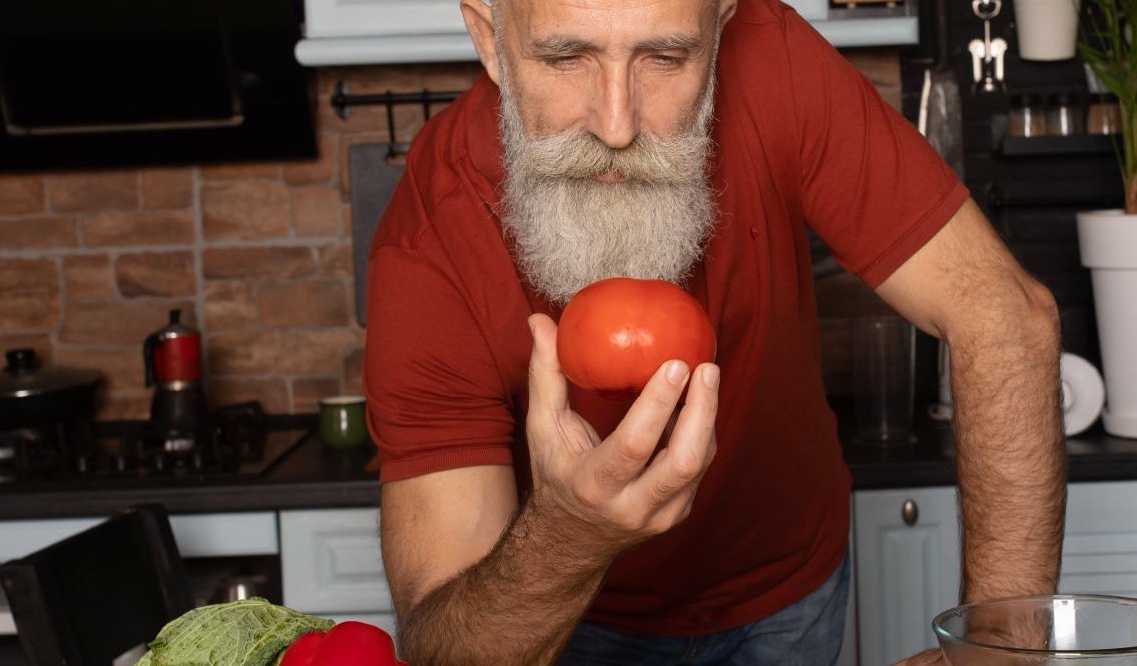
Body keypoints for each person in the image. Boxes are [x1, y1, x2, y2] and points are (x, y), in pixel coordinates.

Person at [362, 0, 1066, 663]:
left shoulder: (775, 60)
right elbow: (444, 644)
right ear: (489, 36)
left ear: (723, 20)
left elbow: (1007, 317)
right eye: (566, 57)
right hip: (569, 623)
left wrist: (999, 644)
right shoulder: (431, 233)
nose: (617, 125)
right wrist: (570, 537)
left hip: (793, 593)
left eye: (666, 56)